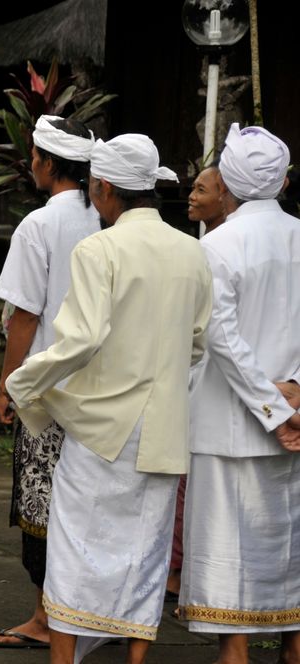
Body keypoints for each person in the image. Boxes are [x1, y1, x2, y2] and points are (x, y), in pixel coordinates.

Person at [5, 134, 213, 664]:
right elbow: (195, 342)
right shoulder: (192, 249)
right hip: (164, 423)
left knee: (75, 548)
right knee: (147, 550)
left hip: (102, 427)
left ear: (102, 188)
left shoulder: (98, 248)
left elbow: (80, 340)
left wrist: (23, 382)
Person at [179, 123, 300, 664]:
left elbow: (220, 340)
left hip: (231, 425)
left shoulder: (219, 244)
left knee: (233, 567)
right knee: (289, 550)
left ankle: (237, 654)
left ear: (227, 179)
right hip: (292, 419)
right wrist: (294, 394)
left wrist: (274, 409)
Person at [0, 115, 99, 650]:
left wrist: (7, 386)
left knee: (42, 503)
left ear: (47, 164)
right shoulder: (108, 219)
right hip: (102, 388)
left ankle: (47, 618)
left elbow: (24, 316)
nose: (31, 164)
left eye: (34, 155)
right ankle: (93, 614)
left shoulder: (40, 225)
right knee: (92, 503)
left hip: (49, 390)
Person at [166, 163, 230, 603]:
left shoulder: (217, 249)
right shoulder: (200, 246)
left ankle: (179, 570)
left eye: (201, 189)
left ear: (226, 194)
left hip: (213, 375)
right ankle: (176, 568)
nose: (192, 195)